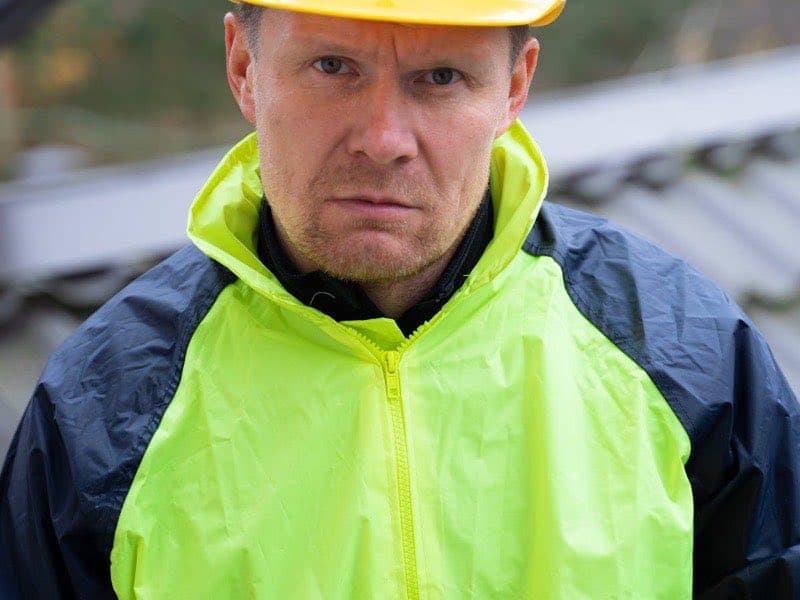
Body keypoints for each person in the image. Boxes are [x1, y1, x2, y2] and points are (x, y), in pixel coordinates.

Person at [1, 0, 799, 597]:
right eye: (333, 68)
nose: (383, 137)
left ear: (515, 87)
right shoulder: (101, 414)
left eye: (441, 78)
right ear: (244, 67)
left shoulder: (684, 361)